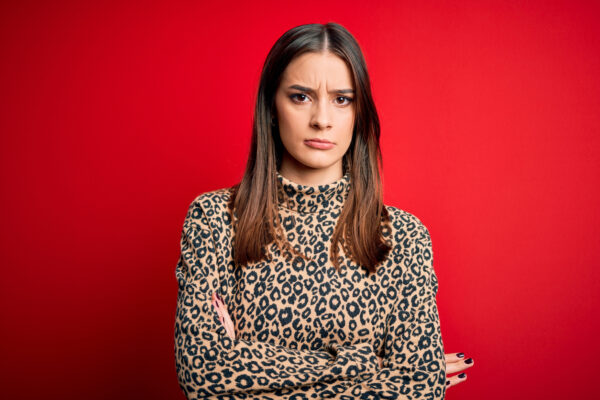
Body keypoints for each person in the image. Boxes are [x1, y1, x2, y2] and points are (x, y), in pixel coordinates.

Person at [174, 22, 473, 399]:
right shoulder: (214, 218)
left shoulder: (404, 237)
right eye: (301, 97)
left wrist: (243, 361)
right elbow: (202, 377)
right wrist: (369, 366)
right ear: (271, 106)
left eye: (342, 99)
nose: (322, 119)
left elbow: (418, 387)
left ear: (359, 112)